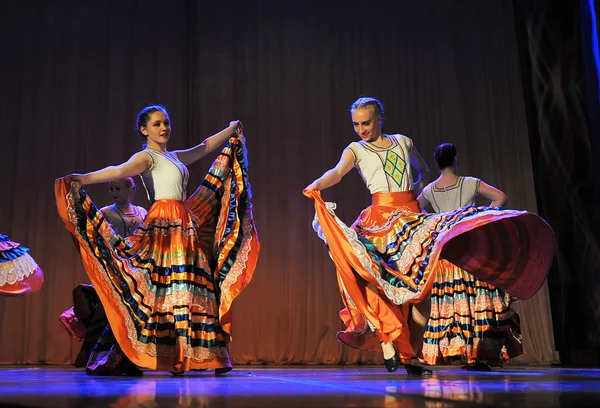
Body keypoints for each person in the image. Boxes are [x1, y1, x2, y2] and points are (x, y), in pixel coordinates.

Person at [304, 97, 554, 376]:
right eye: (356, 124)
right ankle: (389, 340)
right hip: (381, 219)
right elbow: (337, 173)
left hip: (412, 218)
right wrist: (317, 185)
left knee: (421, 296)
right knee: (374, 278)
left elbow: (421, 170)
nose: (361, 129)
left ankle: (411, 357)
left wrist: (413, 192)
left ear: (380, 118)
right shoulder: (356, 149)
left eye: (366, 123)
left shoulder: (403, 142)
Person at [54, 105, 259, 375]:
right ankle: (168, 354)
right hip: (163, 223)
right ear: (144, 129)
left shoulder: (173, 156)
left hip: (184, 222)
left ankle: (201, 354)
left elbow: (204, 146)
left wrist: (231, 129)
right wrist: (83, 178)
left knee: (192, 286)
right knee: (166, 289)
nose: (164, 128)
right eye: (157, 124)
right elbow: (118, 170)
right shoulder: (146, 157)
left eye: (166, 123)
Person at [417, 143, 523, 371]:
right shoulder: (470, 183)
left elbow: (416, 211)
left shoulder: (430, 190)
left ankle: (462, 352)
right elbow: (500, 198)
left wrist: (436, 222)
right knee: (474, 300)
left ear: (437, 162)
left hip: (446, 254)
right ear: (456, 158)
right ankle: (478, 353)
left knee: (454, 302)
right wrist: (480, 216)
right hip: (470, 251)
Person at [58, 177, 149, 374]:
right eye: (111, 189)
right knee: (116, 313)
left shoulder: (143, 213)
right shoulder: (105, 213)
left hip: (138, 271)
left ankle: (129, 359)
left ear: (130, 189)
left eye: (118, 188)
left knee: (135, 315)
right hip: (115, 269)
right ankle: (110, 359)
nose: (114, 192)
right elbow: (90, 232)